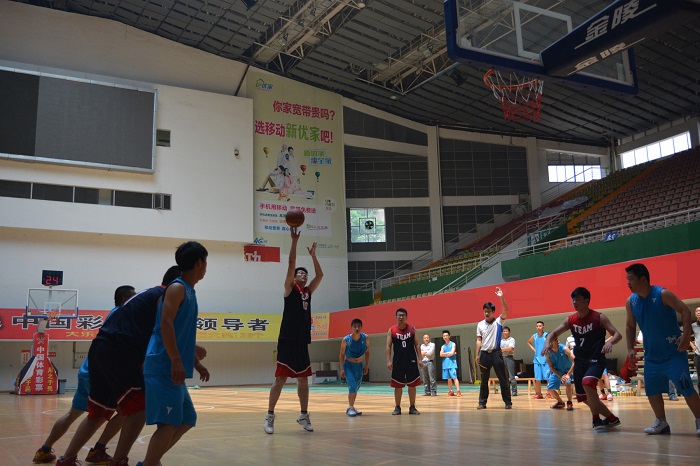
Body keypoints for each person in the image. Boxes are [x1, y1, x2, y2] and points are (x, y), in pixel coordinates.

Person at [55, 266, 181, 466]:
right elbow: (163, 328)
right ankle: (119, 460)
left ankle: (67, 459)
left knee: (98, 412)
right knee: (140, 407)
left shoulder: (144, 296)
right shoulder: (164, 295)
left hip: (100, 350)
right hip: (120, 352)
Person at [33, 286, 136, 464]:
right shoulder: (124, 314)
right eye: (134, 296)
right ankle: (95, 451)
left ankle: (44, 450)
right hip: (102, 373)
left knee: (72, 414)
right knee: (124, 412)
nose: (137, 299)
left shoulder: (114, 314)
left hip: (88, 370)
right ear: (125, 299)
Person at [138, 242, 210, 466]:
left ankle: (151, 461)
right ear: (199, 263)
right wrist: (176, 360)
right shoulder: (177, 288)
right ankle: (150, 463)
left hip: (172, 366)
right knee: (168, 423)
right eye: (205, 262)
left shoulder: (190, 291)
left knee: (187, 418)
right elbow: (165, 323)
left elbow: (181, 335)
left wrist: (196, 363)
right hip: (163, 366)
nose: (206, 267)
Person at [624, 263, 700, 436]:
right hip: (652, 357)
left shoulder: (662, 294)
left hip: (674, 354)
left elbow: (685, 311)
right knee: (652, 390)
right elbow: (630, 326)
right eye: (627, 279)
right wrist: (629, 348)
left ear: (643, 279)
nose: (628, 283)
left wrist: (686, 335)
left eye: (631, 279)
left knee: (686, 387)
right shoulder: (631, 302)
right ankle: (662, 423)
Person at [264, 227, 323, 434]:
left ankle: (304, 415)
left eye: (305, 274)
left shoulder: (308, 292)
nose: (303, 275)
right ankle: (269, 415)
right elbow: (291, 264)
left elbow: (320, 274)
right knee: (280, 379)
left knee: (303, 380)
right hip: (287, 339)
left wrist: (313, 256)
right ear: (294, 277)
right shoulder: (290, 289)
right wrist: (294, 241)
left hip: (302, 341)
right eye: (300, 273)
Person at [544, 287, 622, 431]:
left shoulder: (599, 317)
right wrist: (547, 343)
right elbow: (552, 333)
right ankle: (611, 418)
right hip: (580, 361)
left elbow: (617, 334)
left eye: (578, 299)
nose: (574, 302)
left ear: (587, 301)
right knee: (584, 397)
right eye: (573, 300)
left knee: (587, 383)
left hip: (596, 359)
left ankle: (595, 419)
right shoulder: (571, 320)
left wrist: (610, 343)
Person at [475, 287, 511, 410]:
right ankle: (482, 402)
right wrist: (477, 354)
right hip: (484, 354)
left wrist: (501, 297)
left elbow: (506, 310)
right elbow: (478, 340)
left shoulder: (499, 322)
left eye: (489, 311)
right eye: (485, 311)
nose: (486, 313)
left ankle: (508, 402)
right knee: (483, 380)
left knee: (503, 379)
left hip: (496, 354)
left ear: (493, 312)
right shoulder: (480, 324)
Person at [386, 308, 422, 415]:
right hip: (398, 361)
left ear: (406, 317)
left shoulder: (412, 329)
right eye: (399, 315)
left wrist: (420, 359)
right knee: (398, 386)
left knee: (412, 385)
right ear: (396, 317)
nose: (401, 317)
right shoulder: (392, 330)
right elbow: (388, 346)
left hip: (411, 360)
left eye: (403, 315)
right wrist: (388, 360)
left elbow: (417, 345)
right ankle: (397, 407)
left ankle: (412, 407)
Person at [339, 318, 370, 416]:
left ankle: (352, 407)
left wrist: (366, 365)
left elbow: (367, 352)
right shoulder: (346, 339)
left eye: (358, 326)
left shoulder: (365, 338)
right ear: (351, 328)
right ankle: (350, 407)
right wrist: (342, 368)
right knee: (352, 385)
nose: (357, 328)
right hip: (349, 365)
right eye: (354, 326)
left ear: (361, 327)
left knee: (356, 386)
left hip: (359, 365)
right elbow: (341, 354)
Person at [545, 336, 575, 411]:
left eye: (551, 341)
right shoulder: (547, 352)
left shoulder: (564, 349)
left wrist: (568, 375)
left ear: (557, 341)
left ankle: (569, 402)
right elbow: (551, 367)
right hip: (557, 372)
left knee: (568, 383)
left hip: (567, 371)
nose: (549, 343)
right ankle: (560, 402)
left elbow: (575, 361)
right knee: (550, 389)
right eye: (548, 341)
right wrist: (560, 376)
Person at [527, 321, 549, 399]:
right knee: (537, 378)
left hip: (546, 359)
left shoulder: (547, 335)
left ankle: (549, 393)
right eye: (537, 326)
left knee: (548, 377)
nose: (538, 327)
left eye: (540, 326)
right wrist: (534, 349)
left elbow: (556, 342)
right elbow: (528, 342)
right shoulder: (535, 336)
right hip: (537, 359)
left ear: (543, 327)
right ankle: (538, 393)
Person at [440, 330, 460, 397]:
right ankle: (451, 391)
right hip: (445, 364)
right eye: (444, 336)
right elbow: (441, 354)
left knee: (454, 377)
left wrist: (446, 354)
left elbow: (452, 353)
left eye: (446, 336)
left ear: (449, 336)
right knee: (449, 379)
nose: (445, 337)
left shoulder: (453, 344)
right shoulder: (443, 346)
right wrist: (449, 353)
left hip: (452, 364)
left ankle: (458, 391)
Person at [500, 326, 518, 397]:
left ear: (509, 332)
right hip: (502, 358)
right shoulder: (501, 340)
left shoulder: (512, 339)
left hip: (509, 358)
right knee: (504, 376)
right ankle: (506, 391)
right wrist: (505, 349)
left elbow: (511, 348)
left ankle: (514, 391)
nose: (505, 332)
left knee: (511, 376)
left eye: (506, 331)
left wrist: (501, 350)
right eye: (504, 331)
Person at [691, 306, 700, 394]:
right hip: (698, 354)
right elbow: (686, 336)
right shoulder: (693, 325)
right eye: (697, 311)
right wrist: (692, 346)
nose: (698, 312)